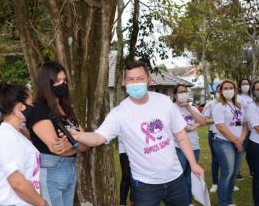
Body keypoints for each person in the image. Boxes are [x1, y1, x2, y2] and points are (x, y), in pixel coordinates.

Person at [70, 60, 204, 206]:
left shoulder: (164, 102)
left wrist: (193, 164)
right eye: (131, 79)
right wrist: (78, 136)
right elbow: (98, 137)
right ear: (124, 82)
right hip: (145, 186)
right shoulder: (119, 113)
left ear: (148, 80)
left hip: (175, 179)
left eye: (140, 79)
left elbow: (181, 136)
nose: (135, 83)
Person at [25, 61, 89, 206]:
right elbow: (58, 148)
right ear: (46, 83)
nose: (63, 84)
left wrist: (72, 144)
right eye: (58, 80)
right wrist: (77, 143)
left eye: (65, 80)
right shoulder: (38, 110)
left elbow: (86, 145)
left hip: (70, 169)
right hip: (52, 170)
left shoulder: (66, 109)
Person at [0, 82, 47, 206]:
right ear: (19, 107)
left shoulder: (16, 134)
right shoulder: (6, 137)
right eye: (30, 103)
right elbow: (17, 182)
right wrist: (42, 203)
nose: (32, 106)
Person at [212, 80, 248, 206]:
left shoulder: (240, 105)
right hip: (224, 143)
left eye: (230, 87)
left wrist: (241, 140)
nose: (228, 90)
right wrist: (235, 141)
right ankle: (223, 202)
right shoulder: (218, 106)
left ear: (235, 89)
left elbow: (245, 124)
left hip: (238, 142)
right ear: (221, 91)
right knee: (227, 173)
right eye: (225, 88)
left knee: (233, 174)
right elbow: (221, 126)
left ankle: (229, 200)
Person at [173, 84, 207, 205]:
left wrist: (189, 108)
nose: (183, 94)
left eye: (185, 91)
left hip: (194, 147)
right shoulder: (171, 108)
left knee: (190, 176)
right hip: (178, 147)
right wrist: (182, 128)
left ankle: (187, 201)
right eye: (180, 92)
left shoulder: (191, 107)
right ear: (175, 95)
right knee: (179, 177)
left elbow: (203, 121)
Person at [203, 85, 221, 193]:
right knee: (216, 159)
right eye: (218, 91)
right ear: (215, 92)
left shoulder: (230, 104)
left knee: (227, 161)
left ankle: (228, 183)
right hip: (214, 134)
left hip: (228, 135)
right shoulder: (210, 104)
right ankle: (215, 183)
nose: (220, 93)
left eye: (221, 91)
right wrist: (218, 119)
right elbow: (205, 120)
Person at [236, 78, 253, 179]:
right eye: (243, 84)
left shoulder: (252, 97)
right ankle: (237, 172)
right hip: (243, 128)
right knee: (240, 151)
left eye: (247, 83)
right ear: (239, 86)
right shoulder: (237, 97)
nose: (245, 85)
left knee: (251, 151)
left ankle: (253, 171)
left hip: (254, 129)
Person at [118, 138, 133, 206]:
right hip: (124, 148)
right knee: (126, 175)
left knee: (135, 174)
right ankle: (122, 203)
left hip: (137, 148)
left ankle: (133, 200)